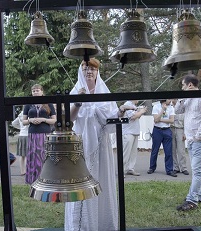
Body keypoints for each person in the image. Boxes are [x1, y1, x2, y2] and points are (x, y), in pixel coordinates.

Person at [64, 58, 130, 231]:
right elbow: (69, 119)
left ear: (97, 72)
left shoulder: (104, 92)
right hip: (80, 146)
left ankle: (102, 225)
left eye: (93, 68)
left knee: (101, 182)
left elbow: (111, 119)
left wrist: (121, 110)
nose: (89, 71)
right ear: (81, 71)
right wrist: (78, 102)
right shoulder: (75, 91)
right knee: (81, 184)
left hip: (101, 147)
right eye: (86, 68)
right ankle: (82, 225)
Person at [174, 74, 201, 211]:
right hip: (191, 139)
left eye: (183, 85)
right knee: (199, 169)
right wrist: (182, 97)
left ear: (190, 85)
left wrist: (198, 136)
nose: (182, 88)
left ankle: (192, 200)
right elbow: (177, 110)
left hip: (200, 139)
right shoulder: (188, 98)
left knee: (197, 170)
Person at [22, 84, 57, 184]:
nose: (35, 92)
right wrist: (31, 120)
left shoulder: (48, 104)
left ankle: (46, 179)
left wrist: (44, 119)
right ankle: (33, 180)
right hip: (33, 134)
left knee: (44, 155)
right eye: (33, 91)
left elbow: (54, 120)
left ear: (42, 92)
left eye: (37, 90)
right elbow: (24, 121)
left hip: (45, 133)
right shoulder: (28, 104)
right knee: (33, 156)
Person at [147, 99, 177, 177]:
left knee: (168, 151)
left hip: (167, 130)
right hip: (157, 130)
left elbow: (172, 120)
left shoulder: (171, 108)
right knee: (155, 150)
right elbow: (156, 120)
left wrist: (161, 119)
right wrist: (162, 110)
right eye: (169, 99)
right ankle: (152, 167)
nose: (170, 100)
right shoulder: (156, 106)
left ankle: (169, 170)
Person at [122, 100, 147, 177]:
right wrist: (141, 111)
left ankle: (130, 168)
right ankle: (122, 170)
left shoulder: (134, 106)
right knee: (126, 152)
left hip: (134, 131)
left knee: (133, 153)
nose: (138, 100)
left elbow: (137, 116)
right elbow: (132, 117)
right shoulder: (127, 104)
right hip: (128, 132)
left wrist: (141, 112)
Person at [171, 99, 189, 175]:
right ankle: (176, 167)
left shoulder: (182, 107)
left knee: (181, 150)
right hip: (171, 128)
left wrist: (185, 133)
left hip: (180, 129)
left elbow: (186, 121)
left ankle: (183, 167)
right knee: (172, 149)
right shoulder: (170, 107)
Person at [11, 111, 28, 176]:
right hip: (28, 135)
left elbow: (13, 123)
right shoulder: (29, 114)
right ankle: (27, 170)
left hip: (21, 135)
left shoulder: (20, 115)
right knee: (27, 155)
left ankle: (22, 171)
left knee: (22, 155)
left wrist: (20, 128)